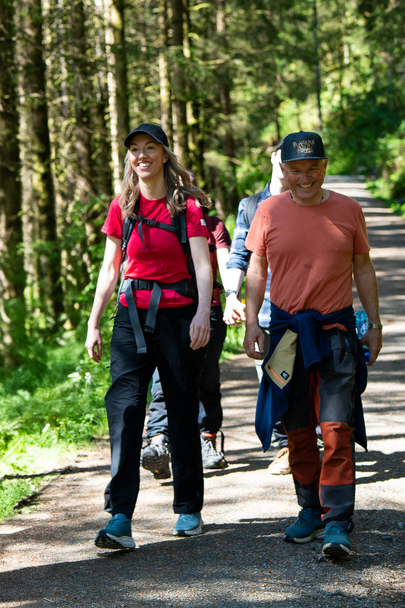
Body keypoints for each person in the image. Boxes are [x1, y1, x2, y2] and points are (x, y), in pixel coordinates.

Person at [243, 131, 382, 559]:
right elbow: (257, 268)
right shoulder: (267, 211)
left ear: (325, 166)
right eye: (296, 169)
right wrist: (251, 322)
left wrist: (374, 324)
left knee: (337, 427)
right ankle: (309, 510)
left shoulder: (348, 209)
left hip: (336, 334)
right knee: (298, 428)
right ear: (283, 170)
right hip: (286, 337)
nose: (305, 177)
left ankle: (337, 518)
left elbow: (363, 266)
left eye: (312, 167)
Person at [85, 123, 213, 550]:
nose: (142, 155)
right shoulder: (122, 206)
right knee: (124, 413)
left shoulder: (186, 206)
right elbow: (110, 269)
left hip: (178, 319)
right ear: (130, 158)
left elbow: (202, 265)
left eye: (150, 148)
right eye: (135, 149)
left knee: (180, 412)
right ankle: (120, 518)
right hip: (130, 320)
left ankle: (189, 508)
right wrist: (93, 321)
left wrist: (202, 315)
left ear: (163, 154)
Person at [221, 140, 294, 475]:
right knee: (274, 380)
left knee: (313, 381)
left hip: (309, 308)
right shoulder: (251, 206)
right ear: (272, 157)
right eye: (283, 155)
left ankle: (316, 442)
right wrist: (232, 295)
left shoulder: (308, 201)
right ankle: (285, 447)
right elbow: (238, 255)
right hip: (264, 312)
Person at [141, 210, 232, 478]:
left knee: (205, 377)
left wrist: (232, 295)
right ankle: (158, 442)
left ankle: (206, 438)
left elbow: (225, 261)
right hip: (168, 309)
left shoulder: (214, 225)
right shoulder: (158, 221)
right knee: (162, 378)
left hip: (209, 308)